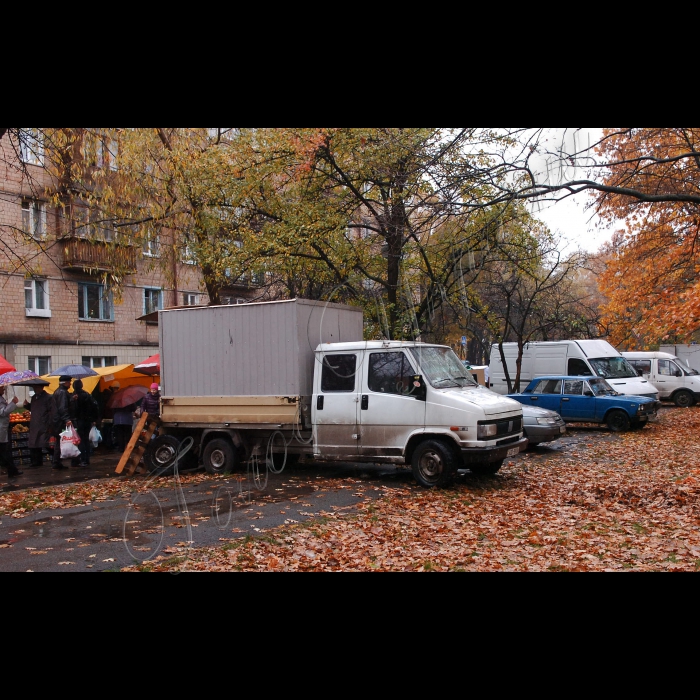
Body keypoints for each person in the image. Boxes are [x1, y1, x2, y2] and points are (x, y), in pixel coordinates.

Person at [23, 383, 55, 468]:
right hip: (35, 423)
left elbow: (51, 411)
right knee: (34, 443)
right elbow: (34, 408)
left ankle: (55, 458)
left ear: (40, 387)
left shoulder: (48, 397)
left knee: (46, 443)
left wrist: (49, 424)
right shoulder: (34, 397)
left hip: (44, 424)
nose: (34, 389)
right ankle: (36, 461)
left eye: (35, 387)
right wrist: (27, 406)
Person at [70, 379, 99, 468]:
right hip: (87, 420)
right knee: (85, 439)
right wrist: (93, 418)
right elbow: (95, 406)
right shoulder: (88, 395)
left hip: (78, 420)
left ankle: (81, 459)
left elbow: (73, 409)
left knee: (79, 440)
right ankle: (86, 459)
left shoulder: (74, 396)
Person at [51, 375, 74, 471]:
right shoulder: (62, 393)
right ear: (65, 383)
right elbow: (62, 407)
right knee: (61, 441)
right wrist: (67, 419)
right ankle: (56, 462)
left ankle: (57, 461)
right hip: (60, 421)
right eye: (69, 382)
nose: (70, 384)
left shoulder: (58, 391)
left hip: (57, 420)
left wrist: (72, 399)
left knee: (59, 441)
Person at [0, 385, 23, 478]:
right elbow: (3, 412)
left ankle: (12, 469)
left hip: (3, 428)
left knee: (5, 451)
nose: (4, 389)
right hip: (1, 428)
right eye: (2, 388)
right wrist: (13, 403)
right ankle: (11, 469)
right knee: (4, 451)